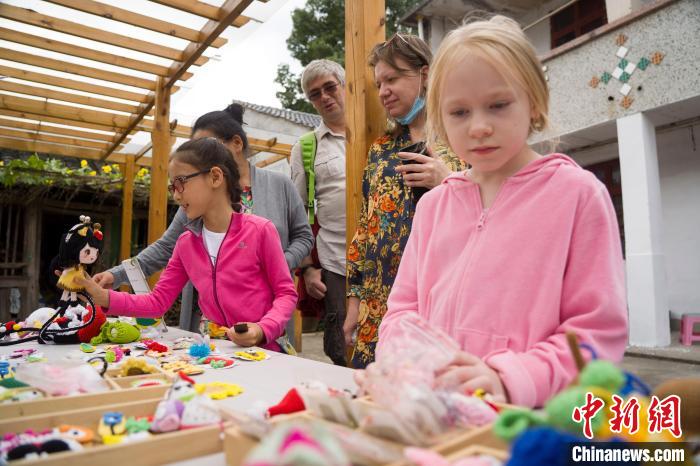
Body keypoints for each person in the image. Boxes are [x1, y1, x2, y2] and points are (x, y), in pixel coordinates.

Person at [376, 16, 628, 407]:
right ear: (439, 117)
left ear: (535, 102)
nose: (478, 127)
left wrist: (513, 377)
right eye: (459, 112)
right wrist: (401, 361)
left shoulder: (578, 196)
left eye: (498, 105)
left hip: (529, 421)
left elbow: (597, 333)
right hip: (436, 415)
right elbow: (402, 312)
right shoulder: (432, 206)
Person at [93, 104, 312, 336]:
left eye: (209, 144)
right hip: (213, 332)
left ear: (236, 144)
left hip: (265, 328)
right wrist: (115, 277)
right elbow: (165, 249)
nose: (176, 195)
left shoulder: (277, 190)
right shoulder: (194, 207)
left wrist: (276, 263)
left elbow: (304, 237)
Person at [344, 34, 465, 368]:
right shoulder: (381, 149)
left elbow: (490, 211)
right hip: (379, 303)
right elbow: (365, 228)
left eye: (392, 79)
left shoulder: (462, 140)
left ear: (424, 75)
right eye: (379, 83)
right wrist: (355, 302)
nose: (383, 91)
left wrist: (446, 180)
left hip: (440, 300)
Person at [290, 59, 348, 366]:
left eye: (330, 87)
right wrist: (308, 268)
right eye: (315, 94)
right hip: (335, 259)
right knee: (340, 344)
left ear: (345, 86)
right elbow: (298, 214)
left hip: (386, 258)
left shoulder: (378, 132)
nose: (324, 97)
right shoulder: (306, 147)